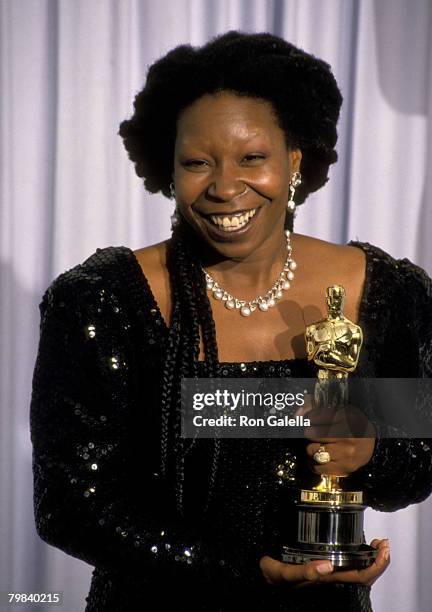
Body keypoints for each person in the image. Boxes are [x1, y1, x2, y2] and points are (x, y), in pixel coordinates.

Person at [30, 31, 432, 611]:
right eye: (197, 162)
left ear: (294, 161)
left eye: (252, 158)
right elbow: (71, 507)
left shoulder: (383, 293)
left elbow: (417, 464)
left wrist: (370, 453)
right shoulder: (104, 301)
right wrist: (245, 572)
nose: (223, 186)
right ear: (168, 170)